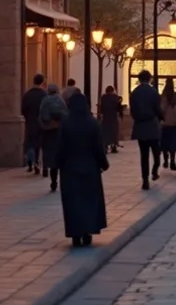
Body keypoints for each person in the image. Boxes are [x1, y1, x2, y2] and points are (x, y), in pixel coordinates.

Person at [56, 91, 109, 247]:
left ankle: (75, 233)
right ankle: (88, 231)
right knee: (89, 202)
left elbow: (61, 147)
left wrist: (58, 163)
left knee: (73, 203)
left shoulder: (66, 123)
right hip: (90, 168)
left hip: (70, 169)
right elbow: (98, 147)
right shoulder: (92, 123)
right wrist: (103, 163)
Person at [130, 70, 163, 191]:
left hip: (140, 126)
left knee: (144, 155)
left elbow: (132, 110)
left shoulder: (134, 92)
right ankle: (155, 170)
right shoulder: (153, 92)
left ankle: (145, 180)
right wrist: (161, 118)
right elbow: (157, 108)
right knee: (156, 151)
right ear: (149, 78)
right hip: (152, 125)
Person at [38, 82, 68, 191]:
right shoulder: (60, 101)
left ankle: (53, 181)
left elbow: (42, 116)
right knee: (60, 158)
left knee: (51, 159)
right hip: (59, 133)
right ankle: (61, 181)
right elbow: (65, 115)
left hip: (48, 133)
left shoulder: (45, 101)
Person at [20, 73, 46, 174]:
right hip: (41, 122)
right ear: (42, 82)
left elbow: (23, 109)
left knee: (29, 143)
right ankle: (36, 162)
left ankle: (30, 162)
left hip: (30, 122)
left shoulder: (27, 95)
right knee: (38, 144)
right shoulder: (44, 95)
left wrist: (27, 117)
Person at [160, 80, 176, 171]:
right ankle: (172, 161)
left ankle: (166, 160)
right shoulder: (175, 99)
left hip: (165, 123)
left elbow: (161, 110)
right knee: (173, 144)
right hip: (174, 123)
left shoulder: (163, 98)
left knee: (165, 143)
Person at [99, 85, 122, 153]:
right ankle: (114, 146)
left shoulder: (103, 97)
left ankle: (105, 146)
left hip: (106, 117)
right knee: (114, 132)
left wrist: (101, 114)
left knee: (105, 132)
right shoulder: (115, 97)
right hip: (113, 116)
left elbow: (102, 107)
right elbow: (118, 106)